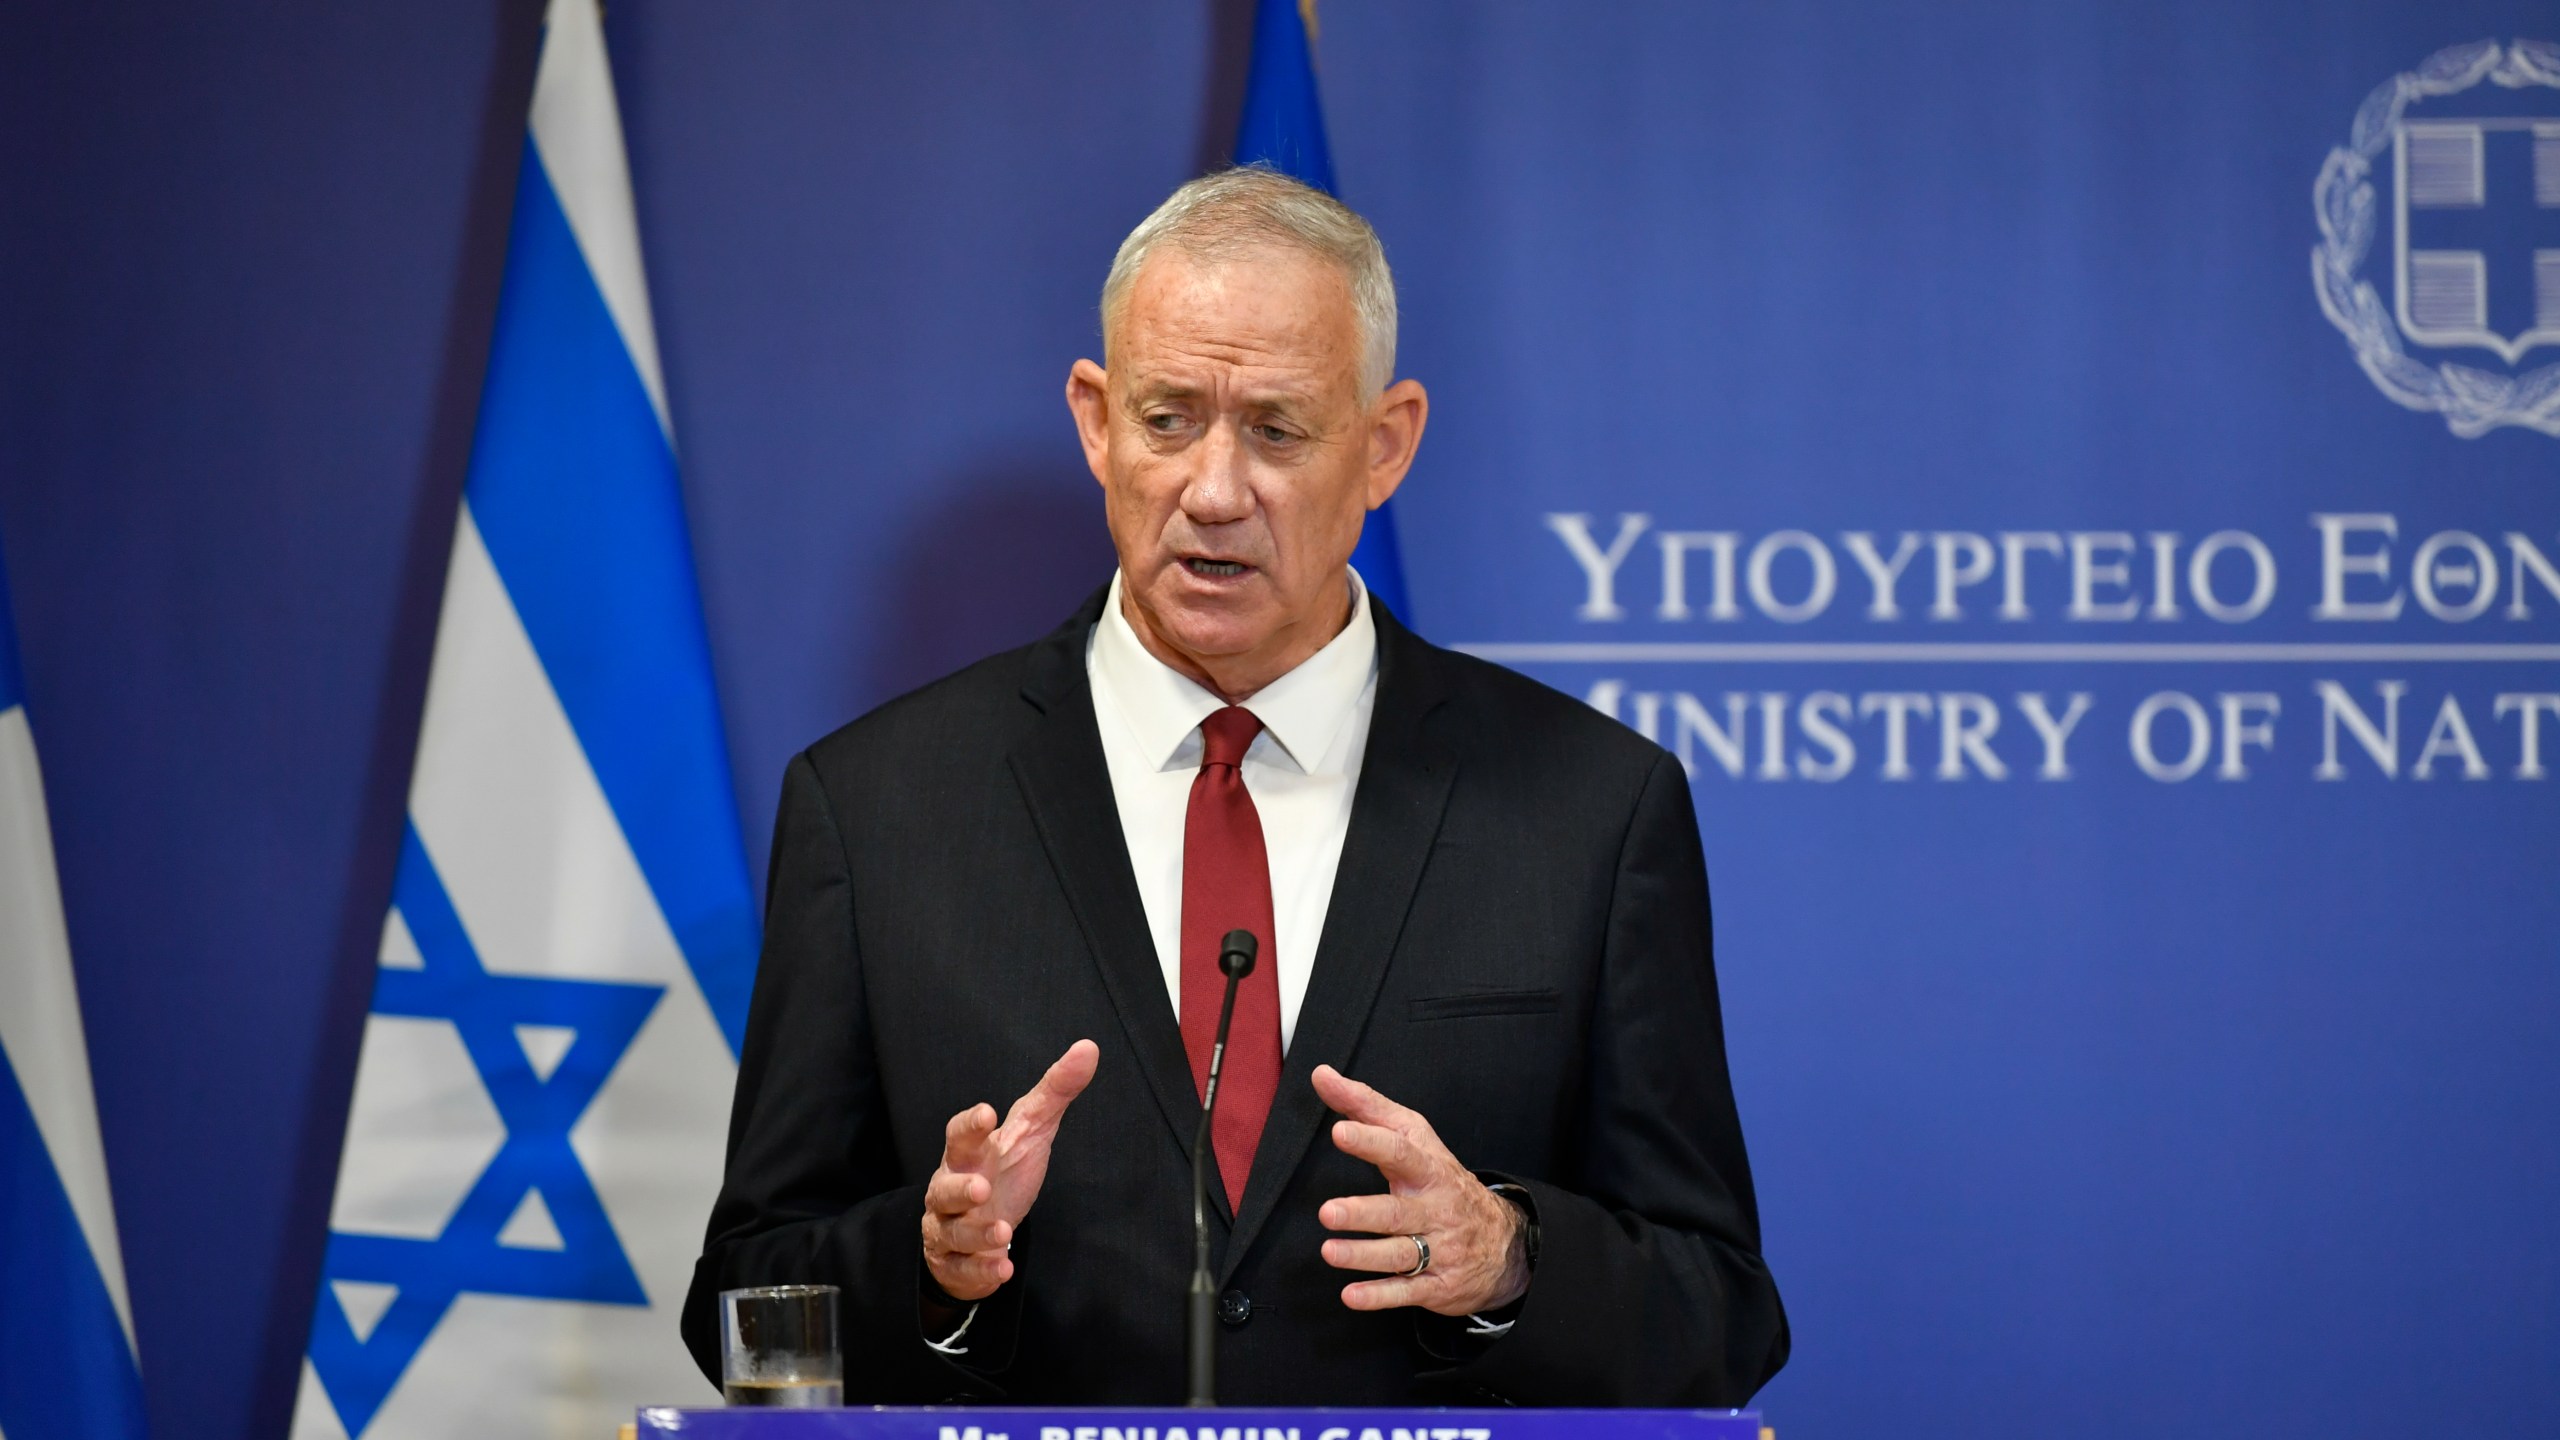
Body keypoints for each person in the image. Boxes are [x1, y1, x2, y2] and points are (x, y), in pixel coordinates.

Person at [681, 166, 1787, 1406]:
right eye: (1166, 421)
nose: (1212, 492)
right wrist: (932, 1269)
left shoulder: (1591, 807)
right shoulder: (876, 805)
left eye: (1275, 429)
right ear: (1095, 422)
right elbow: (745, 1299)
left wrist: (1508, 1261)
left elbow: (1720, 1311)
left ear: (1385, 445)